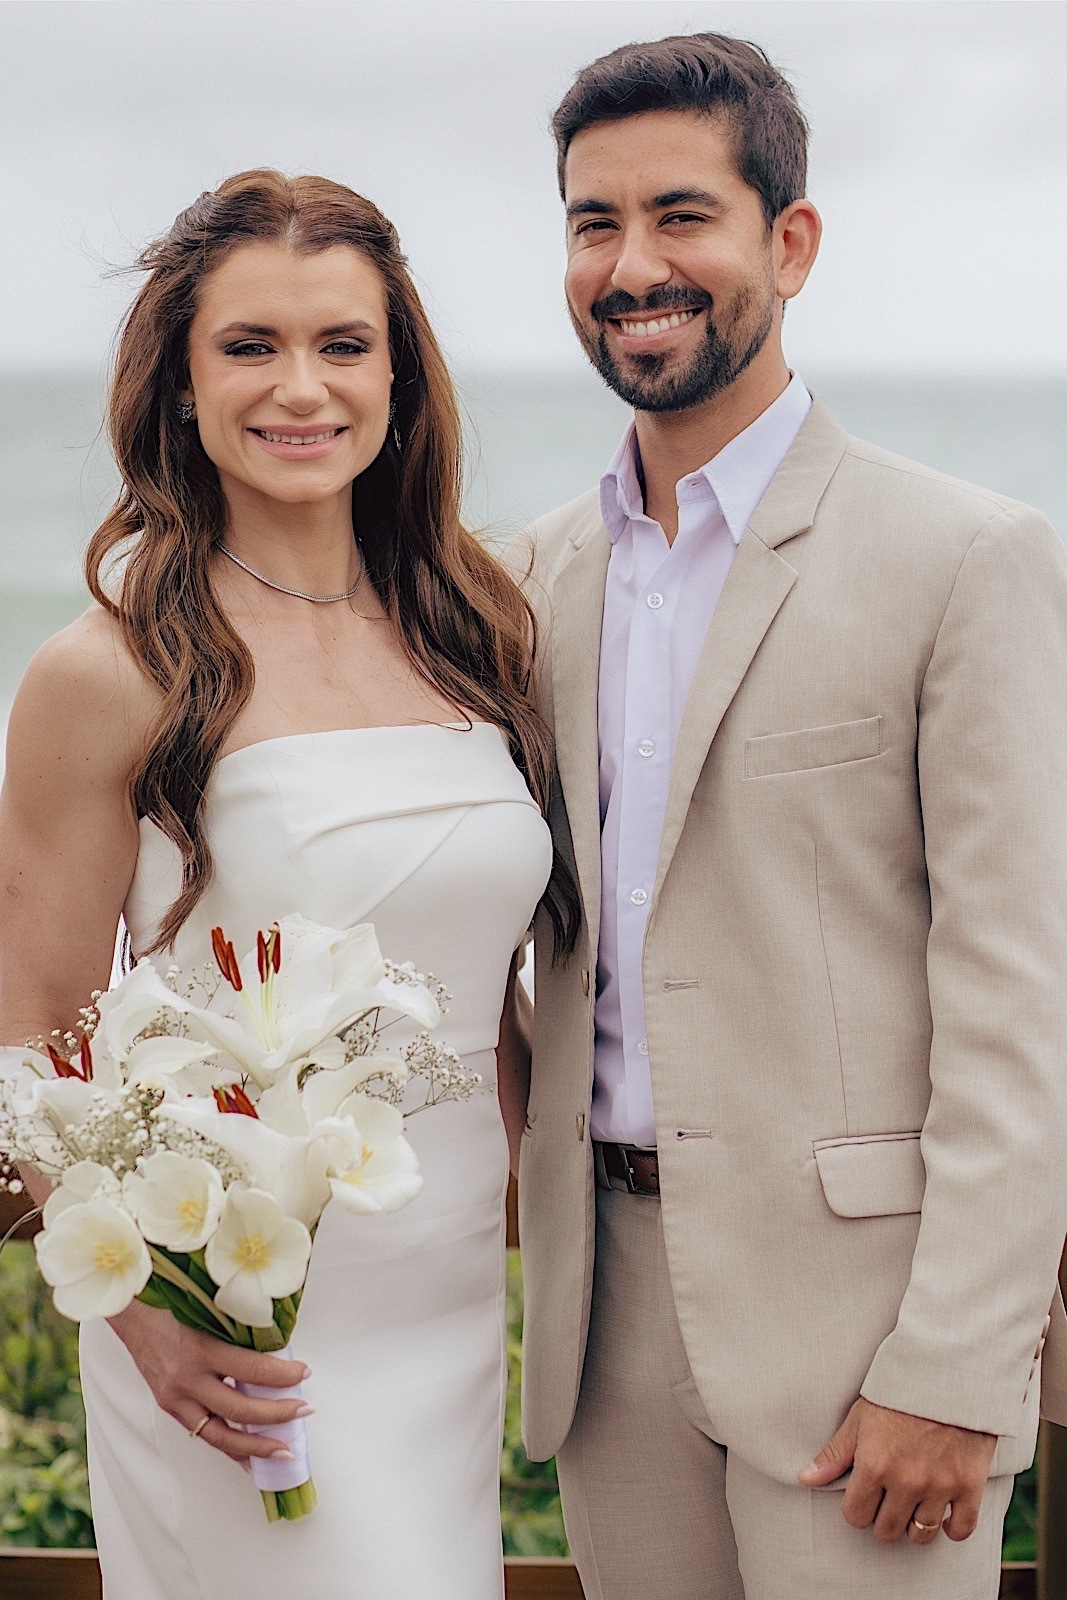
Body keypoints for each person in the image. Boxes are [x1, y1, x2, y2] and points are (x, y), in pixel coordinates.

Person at [518, 32, 1067, 1600]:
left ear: (791, 241)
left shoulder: (967, 558)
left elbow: (1023, 996)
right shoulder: (530, 577)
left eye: (682, 215)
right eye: (594, 223)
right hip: (602, 1329)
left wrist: (957, 1362)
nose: (633, 266)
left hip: (865, 1339)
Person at [0, 169, 577, 1600]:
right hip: (236, 1308)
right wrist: (144, 1311)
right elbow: (27, 1029)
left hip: (450, 1285)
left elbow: (506, 993)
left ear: (399, 377)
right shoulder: (110, 667)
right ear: (181, 385)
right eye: (250, 346)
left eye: (343, 345)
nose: (301, 388)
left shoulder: (480, 630)